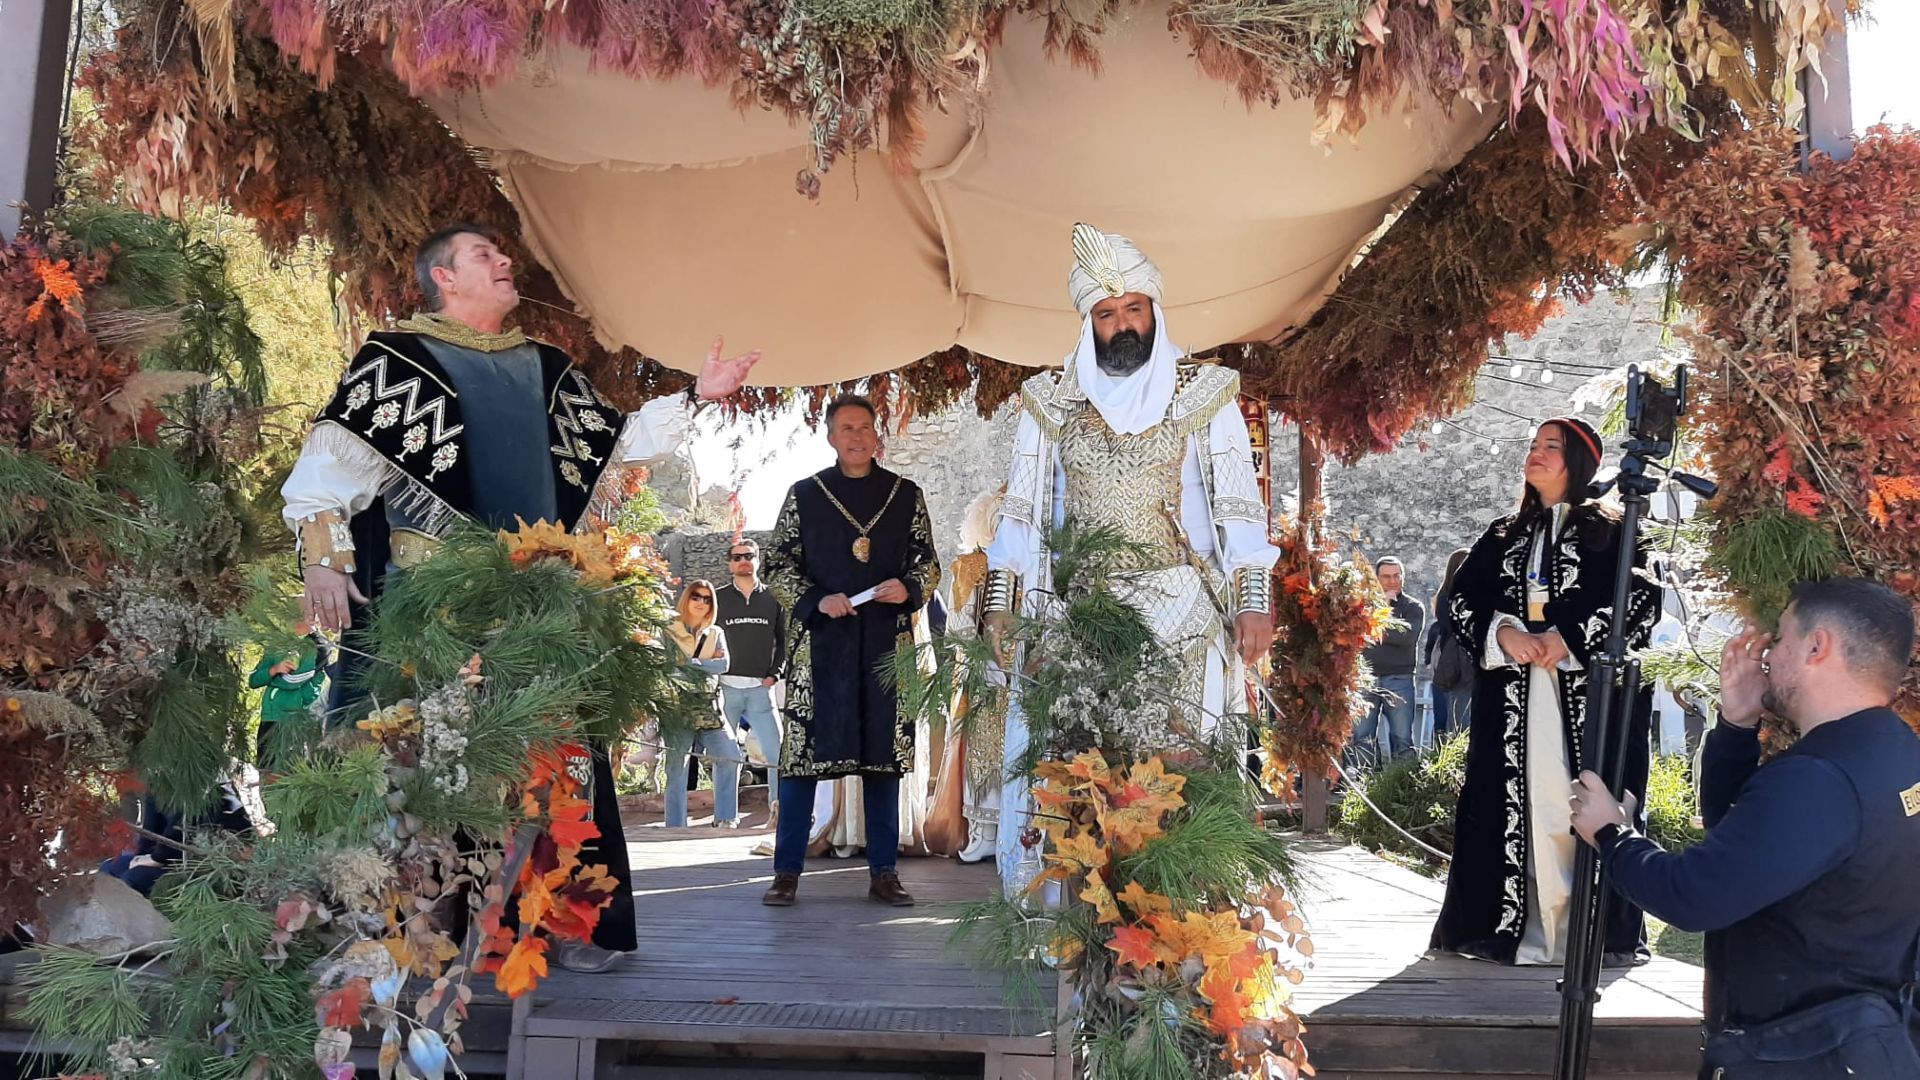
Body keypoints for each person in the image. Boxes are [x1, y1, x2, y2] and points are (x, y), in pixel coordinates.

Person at [280, 221, 761, 972]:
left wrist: (697, 397)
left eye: (502, 254)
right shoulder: (398, 360)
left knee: (556, 762)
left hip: (538, 603)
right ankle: (415, 933)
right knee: (428, 764)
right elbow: (329, 468)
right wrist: (323, 559)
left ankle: (568, 925)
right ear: (444, 277)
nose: (505, 262)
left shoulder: (545, 366)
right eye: (484, 255)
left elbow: (612, 444)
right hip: (432, 606)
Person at [1572, 578, 1920, 1079]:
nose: (1769, 657)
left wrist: (1610, 835)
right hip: (1856, 1041)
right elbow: (1742, 838)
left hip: (1798, 1054)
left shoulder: (1819, 777)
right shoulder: (1891, 748)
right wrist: (1736, 724)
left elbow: (1692, 896)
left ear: (1817, 646)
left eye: (1780, 638)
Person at [1430, 417, 1661, 968]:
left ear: (1577, 462)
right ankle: (1517, 928)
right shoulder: (1501, 535)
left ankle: (1589, 932)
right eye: (1533, 446)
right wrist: (1505, 633)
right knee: (1516, 803)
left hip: (1589, 699)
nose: (1536, 454)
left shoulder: (1615, 531)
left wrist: (1569, 638)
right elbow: (1459, 602)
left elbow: (1640, 601)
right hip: (1513, 698)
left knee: (1577, 801)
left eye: (1550, 447)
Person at [760, 394, 941, 907]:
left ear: (876, 434)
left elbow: (928, 562)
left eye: (865, 427)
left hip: (886, 646)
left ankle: (884, 872)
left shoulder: (906, 494)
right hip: (820, 648)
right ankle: (786, 873)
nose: (857, 437)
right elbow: (777, 565)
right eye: (846, 428)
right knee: (800, 764)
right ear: (831, 436)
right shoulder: (805, 495)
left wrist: (909, 587)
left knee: (883, 763)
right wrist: (819, 599)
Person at [924, 488, 1010, 863]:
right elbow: (958, 628)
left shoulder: (1040, 565)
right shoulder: (972, 565)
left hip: (1031, 672)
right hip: (986, 673)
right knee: (983, 750)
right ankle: (983, 831)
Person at [714, 539, 788, 851]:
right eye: (737, 557)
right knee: (726, 755)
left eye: (749, 556)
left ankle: (778, 812)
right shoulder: (717, 599)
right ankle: (725, 817)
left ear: (758, 560)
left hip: (762, 689)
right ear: (730, 563)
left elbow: (784, 641)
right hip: (726, 688)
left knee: (777, 752)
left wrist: (775, 674)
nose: (743, 561)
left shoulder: (773, 598)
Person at [663, 580, 743, 828]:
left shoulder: (715, 632)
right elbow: (667, 666)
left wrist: (692, 664)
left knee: (731, 756)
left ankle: (726, 818)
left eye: (707, 599)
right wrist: (705, 664)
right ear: (687, 598)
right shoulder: (669, 629)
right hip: (676, 707)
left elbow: (724, 665)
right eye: (697, 596)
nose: (701, 602)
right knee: (677, 765)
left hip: (710, 709)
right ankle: (675, 826)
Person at [1355, 556, 1424, 765]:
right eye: (1386, 577)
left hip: (1399, 680)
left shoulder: (1413, 607)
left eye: (1396, 576)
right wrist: (1382, 609)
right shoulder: (1363, 607)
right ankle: (1360, 785)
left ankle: (1402, 788)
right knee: (1361, 736)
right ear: (1377, 579)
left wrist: (1379, 620)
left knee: (1402, 738)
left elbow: (1406, 637)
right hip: (1366, 679)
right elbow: (1360, 634)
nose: (1392, 581)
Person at [248, 624, 325, 773]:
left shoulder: (319, 647)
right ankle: (266, 796)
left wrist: (274, 680)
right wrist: (274, 670)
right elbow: (253, 680)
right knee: (266, 769)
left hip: (295, 720)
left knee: (291, 772)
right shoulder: (277, 645)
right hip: (270, 717)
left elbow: (294, 681)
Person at [1424, 548, 1473, 739]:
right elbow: (1458, 628)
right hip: (1459, 668)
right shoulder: (1447, 600)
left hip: (1468, 666)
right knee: (1460, 723)